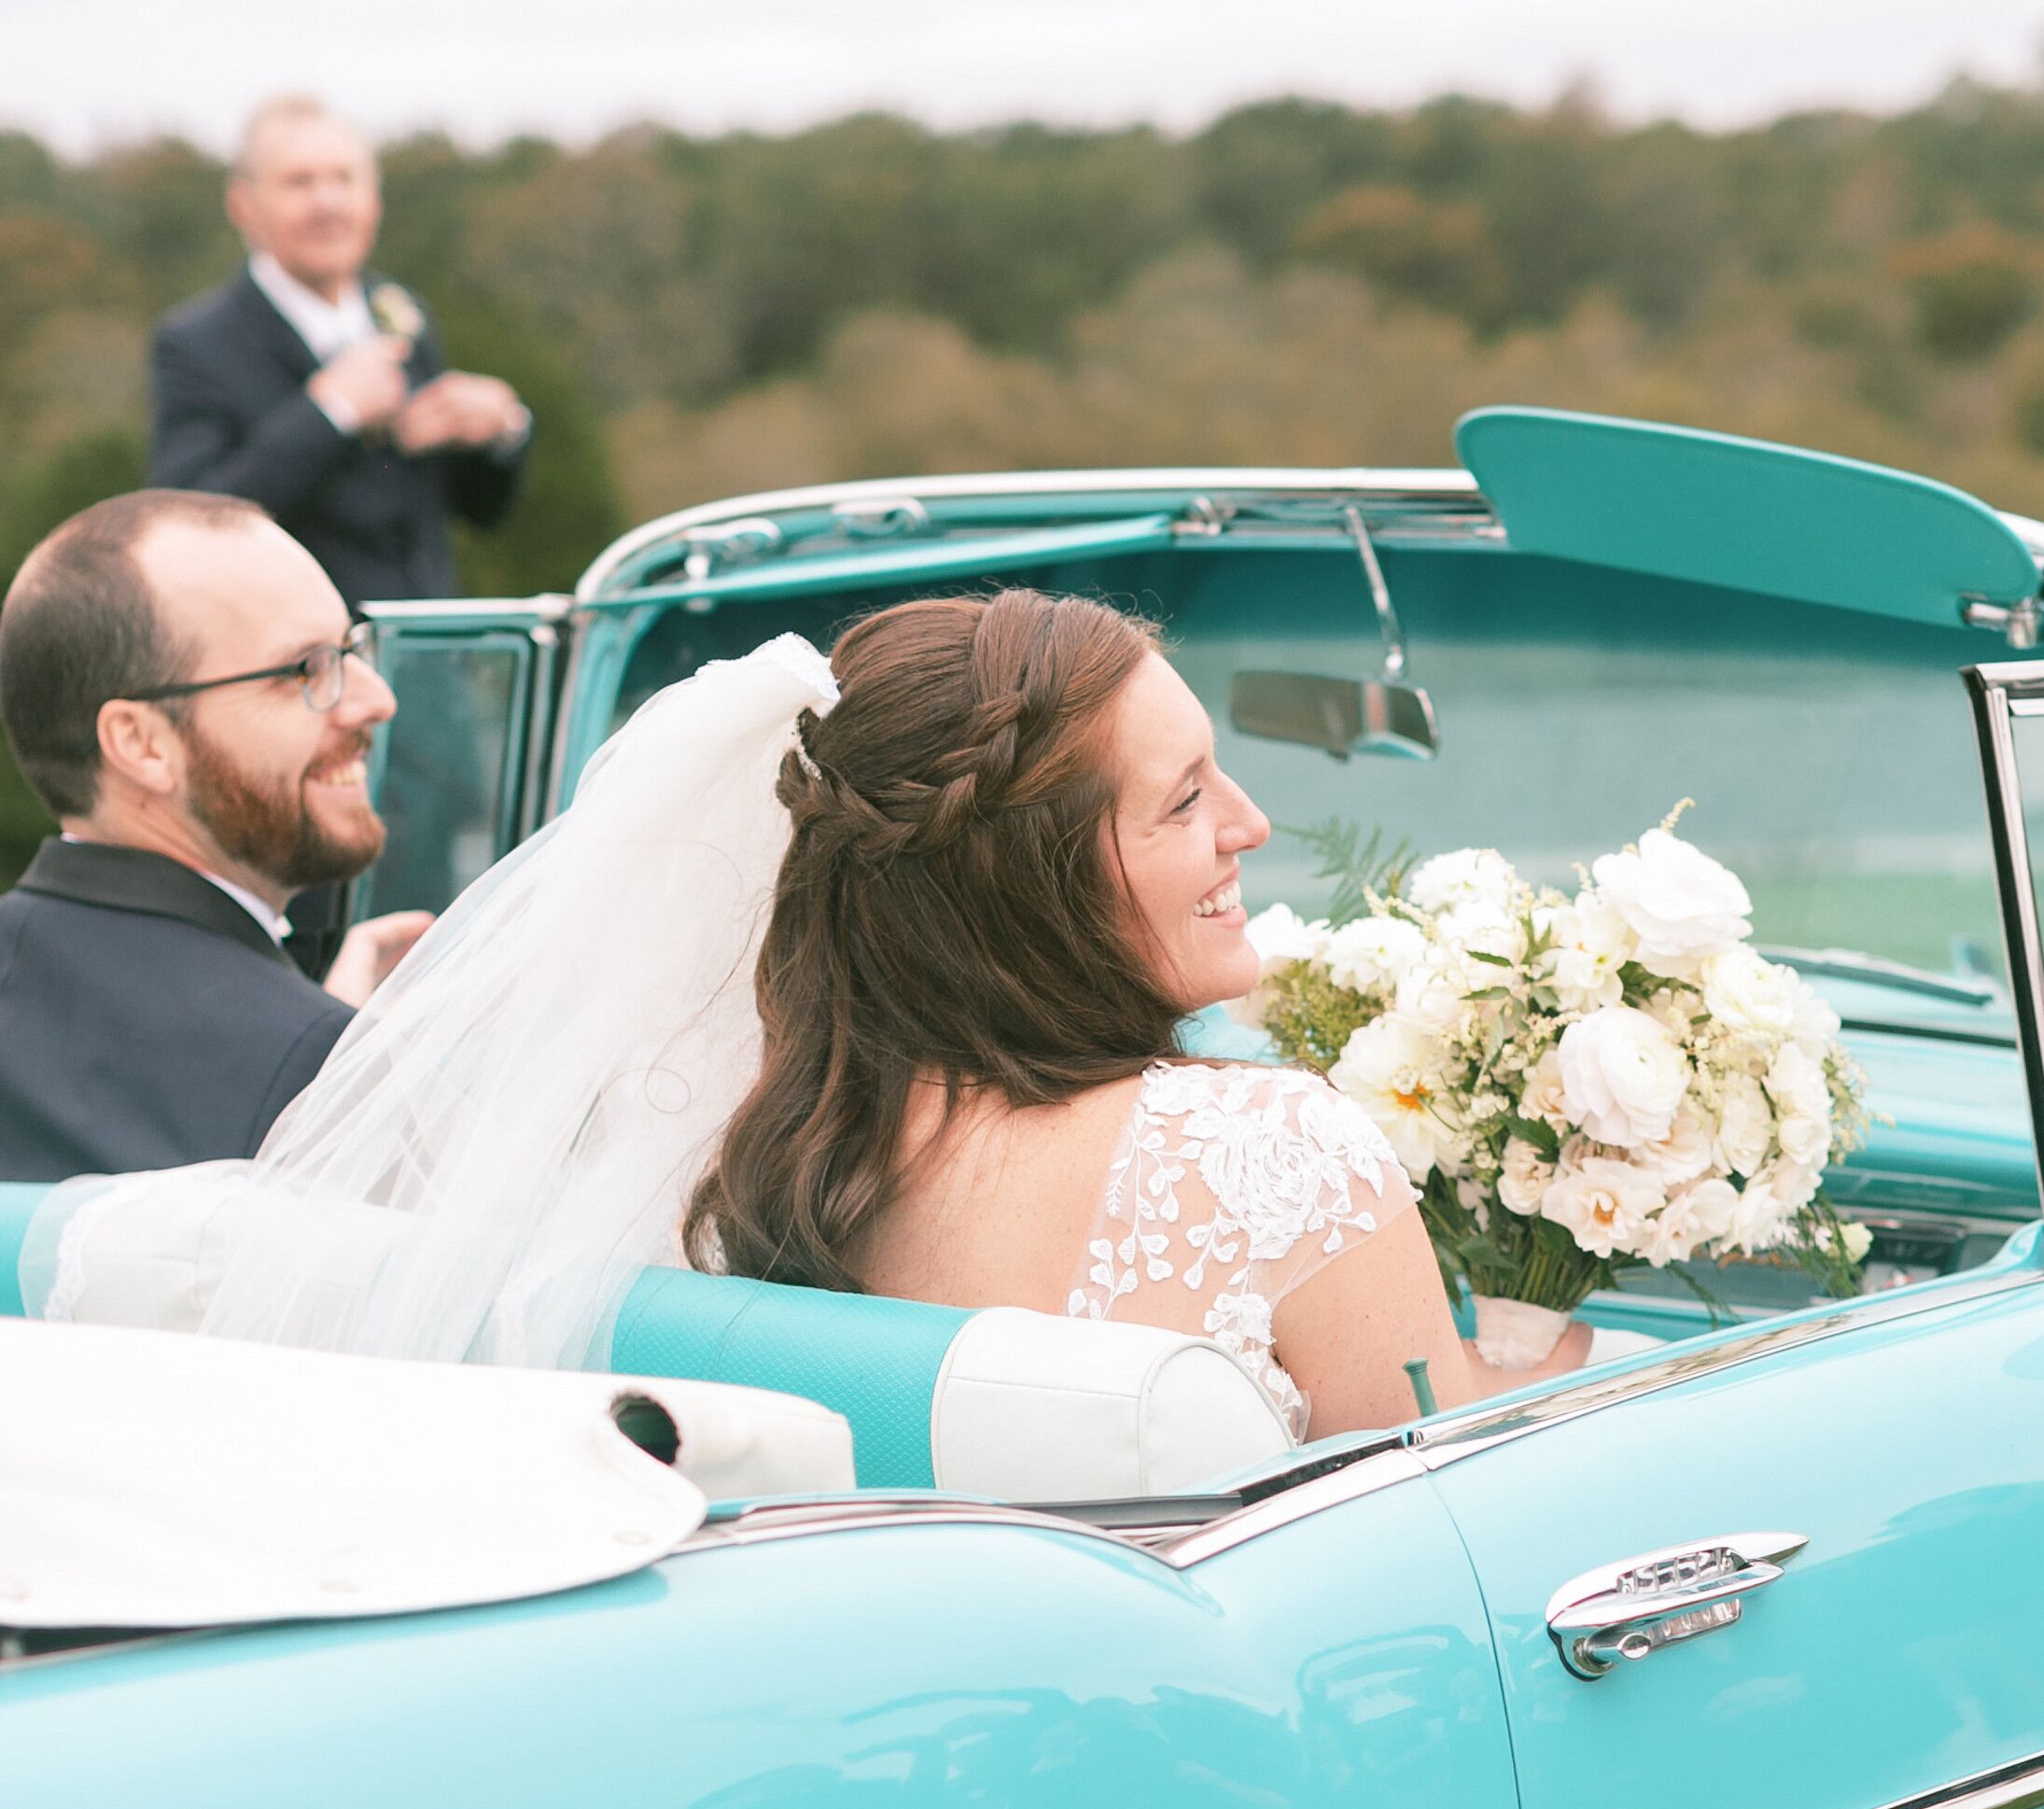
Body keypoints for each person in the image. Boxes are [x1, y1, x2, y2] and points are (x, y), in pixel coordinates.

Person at [46, 591, 1583, 1437]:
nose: (1251, 825)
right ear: (1035, 880)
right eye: (1184, 802)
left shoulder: (733, 1156)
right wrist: (1536, 1381)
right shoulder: (1276, 1153)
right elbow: (1454, 1542)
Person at [0, 490, 427, 1180]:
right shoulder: (311, 1079)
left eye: (352, 649)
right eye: (306, 670)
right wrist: (332, 1057)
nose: (377, 698)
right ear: (141, 743)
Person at [147, 99, 531, 608]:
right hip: (299, 671)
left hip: (426, 658)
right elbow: (189, 526)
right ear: (244, 205)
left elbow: (480, 511)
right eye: (299, 183)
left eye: (345, 179)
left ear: (374, 199)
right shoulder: (197, 341)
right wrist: (329, 412)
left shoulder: (402, 312)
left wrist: (498, 430)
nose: (328, 203)